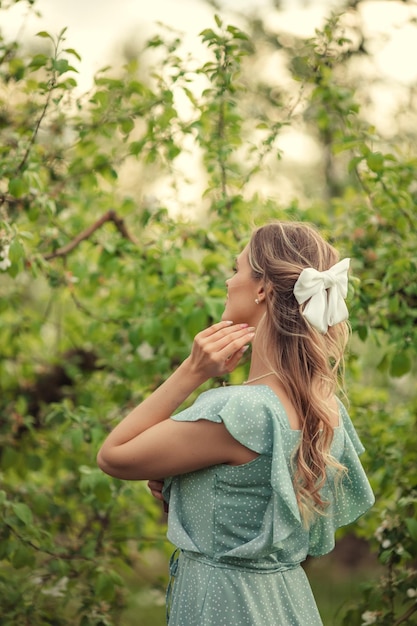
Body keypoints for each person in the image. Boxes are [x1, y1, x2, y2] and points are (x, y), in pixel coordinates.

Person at [97, 221, 375, 625]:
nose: (229, 281)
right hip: (285, 602)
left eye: (237, 268)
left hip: (225, 605)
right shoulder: (325, 408)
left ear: (262, 288)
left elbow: (113, 456)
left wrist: (192, 371)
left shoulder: (242, 409)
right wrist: (184, 486)